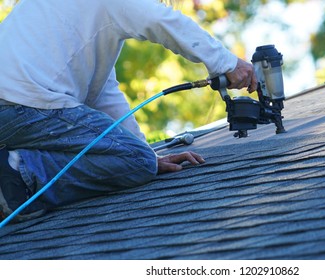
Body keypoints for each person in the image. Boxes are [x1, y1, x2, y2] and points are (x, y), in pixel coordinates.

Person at [0, 0, 257, 223]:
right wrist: (226, 62)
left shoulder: (84, 24)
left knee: (140, 159)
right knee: (138, 162)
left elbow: (103, 94)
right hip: (23, 103)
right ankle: (15, 176)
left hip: (16, 104)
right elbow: (159, 19)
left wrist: (146, 153)